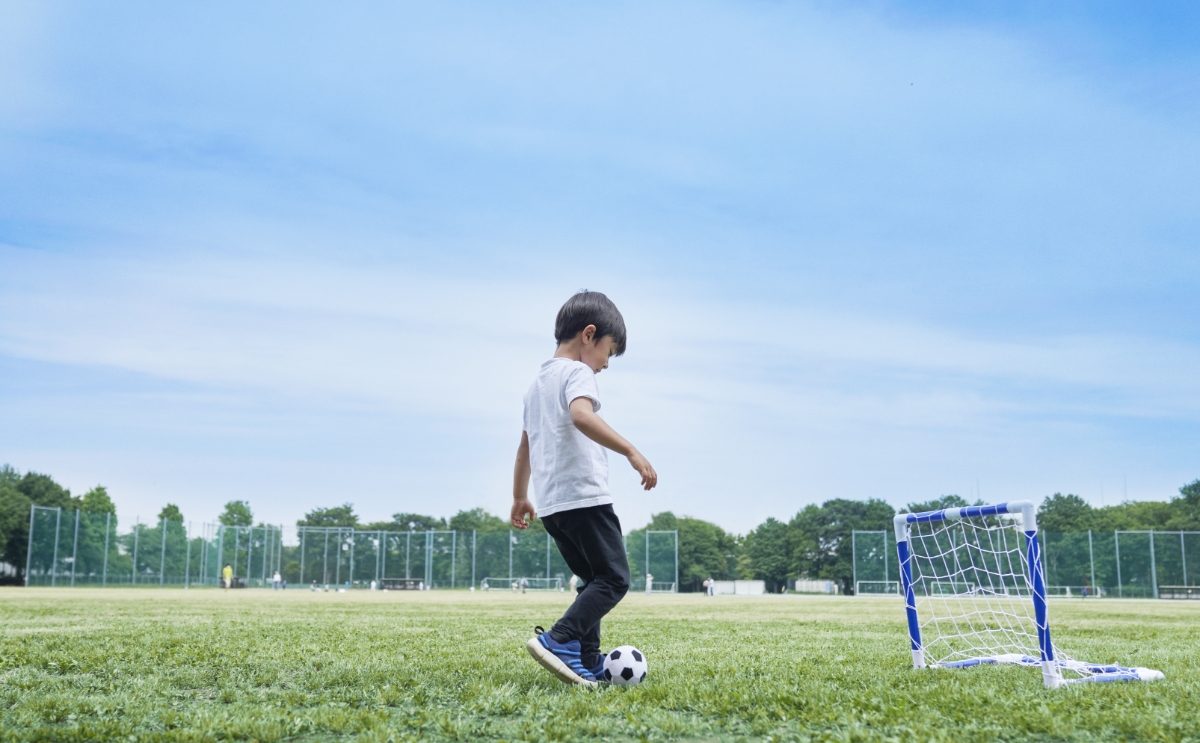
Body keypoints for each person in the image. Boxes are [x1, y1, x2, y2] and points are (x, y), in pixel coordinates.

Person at [516, 291, 657, 686]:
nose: (607, 364)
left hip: (552, 507)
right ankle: (559, 640)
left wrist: (518, 496)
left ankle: (587, 657)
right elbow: (581, 415)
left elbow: (525, 446)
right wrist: (630, 449)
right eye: (609, 352)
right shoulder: (578, 373)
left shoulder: (535, 386)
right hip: (584, 496)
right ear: (589, 335)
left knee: (592, 580)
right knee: (614, 578)